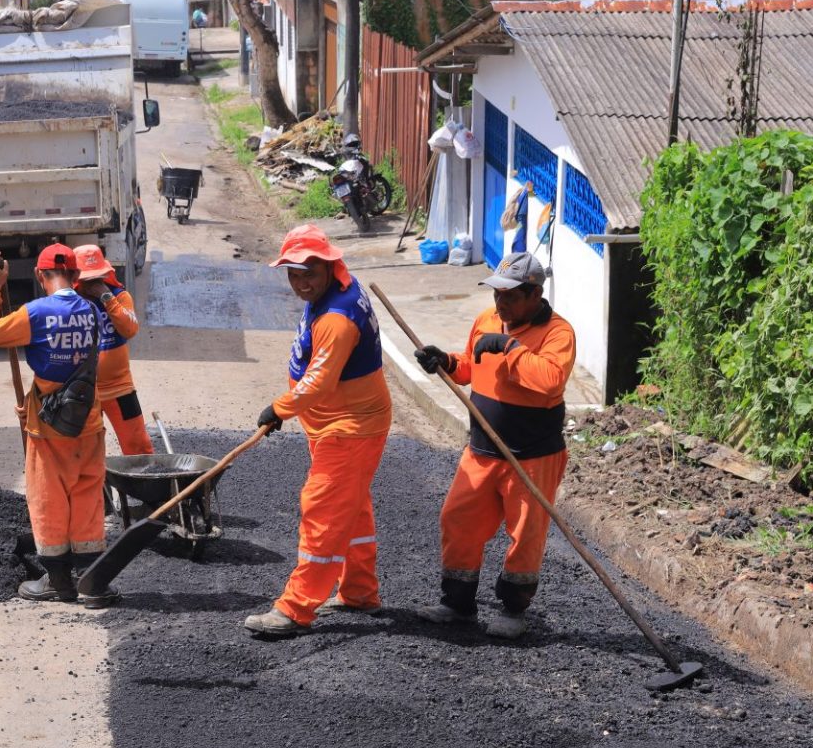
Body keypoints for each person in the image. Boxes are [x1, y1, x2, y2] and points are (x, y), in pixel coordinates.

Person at [412, 252, 575, 640]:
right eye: (496, 295)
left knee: (526, 533)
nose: (500, 305)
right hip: (482, 450)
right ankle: (457, 603)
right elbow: (471, 366)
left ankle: (514, 609)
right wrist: (445, 362)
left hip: (533, 455)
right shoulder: (487, 321)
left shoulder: (558, 333)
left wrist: (511, 347)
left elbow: (550, 380)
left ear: (534, 294)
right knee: (458, 520)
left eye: (510, 297)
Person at [243, 226, 393, 638]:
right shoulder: (336, 286)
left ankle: (295, 608)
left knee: (323, 512)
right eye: (293, 275)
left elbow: (320, 380)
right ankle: (360, 592)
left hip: (350, 426)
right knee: (353, 509)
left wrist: (279, 408)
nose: (301, 283)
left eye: (308, 272)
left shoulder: (338, 319)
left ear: (328, 265)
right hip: (337, 422)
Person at [0, 245, 116, 607]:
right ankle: (92, 585)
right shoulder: (92, 310)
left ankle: (58, 582)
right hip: (88, 421)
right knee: (86, 498)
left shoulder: (35, 313)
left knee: (49, 499)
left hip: (48, 427)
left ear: (40, 277)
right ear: (75, 276)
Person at [72, 244, 153, 456]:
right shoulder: (70, 304)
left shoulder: (120, 297)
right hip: (83, 392)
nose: (92, 284)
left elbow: (130, 329)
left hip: (120, 388)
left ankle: (142, 487)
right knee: (85, 453)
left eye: (96, 278)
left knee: (139, 447)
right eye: (87, 279)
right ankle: (97, 489)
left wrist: (107, 298)